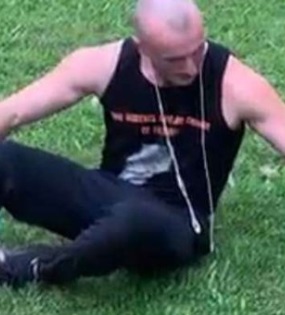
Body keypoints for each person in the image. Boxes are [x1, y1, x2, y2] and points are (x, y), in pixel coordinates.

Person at [0, 0, 284, 288]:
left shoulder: (235, 84)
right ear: (142, 48)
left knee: (132, 219)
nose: (190, 68)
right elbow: (11, 112)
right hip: (109, 196)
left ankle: (34, 266)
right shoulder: (103, 64)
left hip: (178, 222)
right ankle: (94, 241)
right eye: (174, 59)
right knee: (5, 156)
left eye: (197, 51)